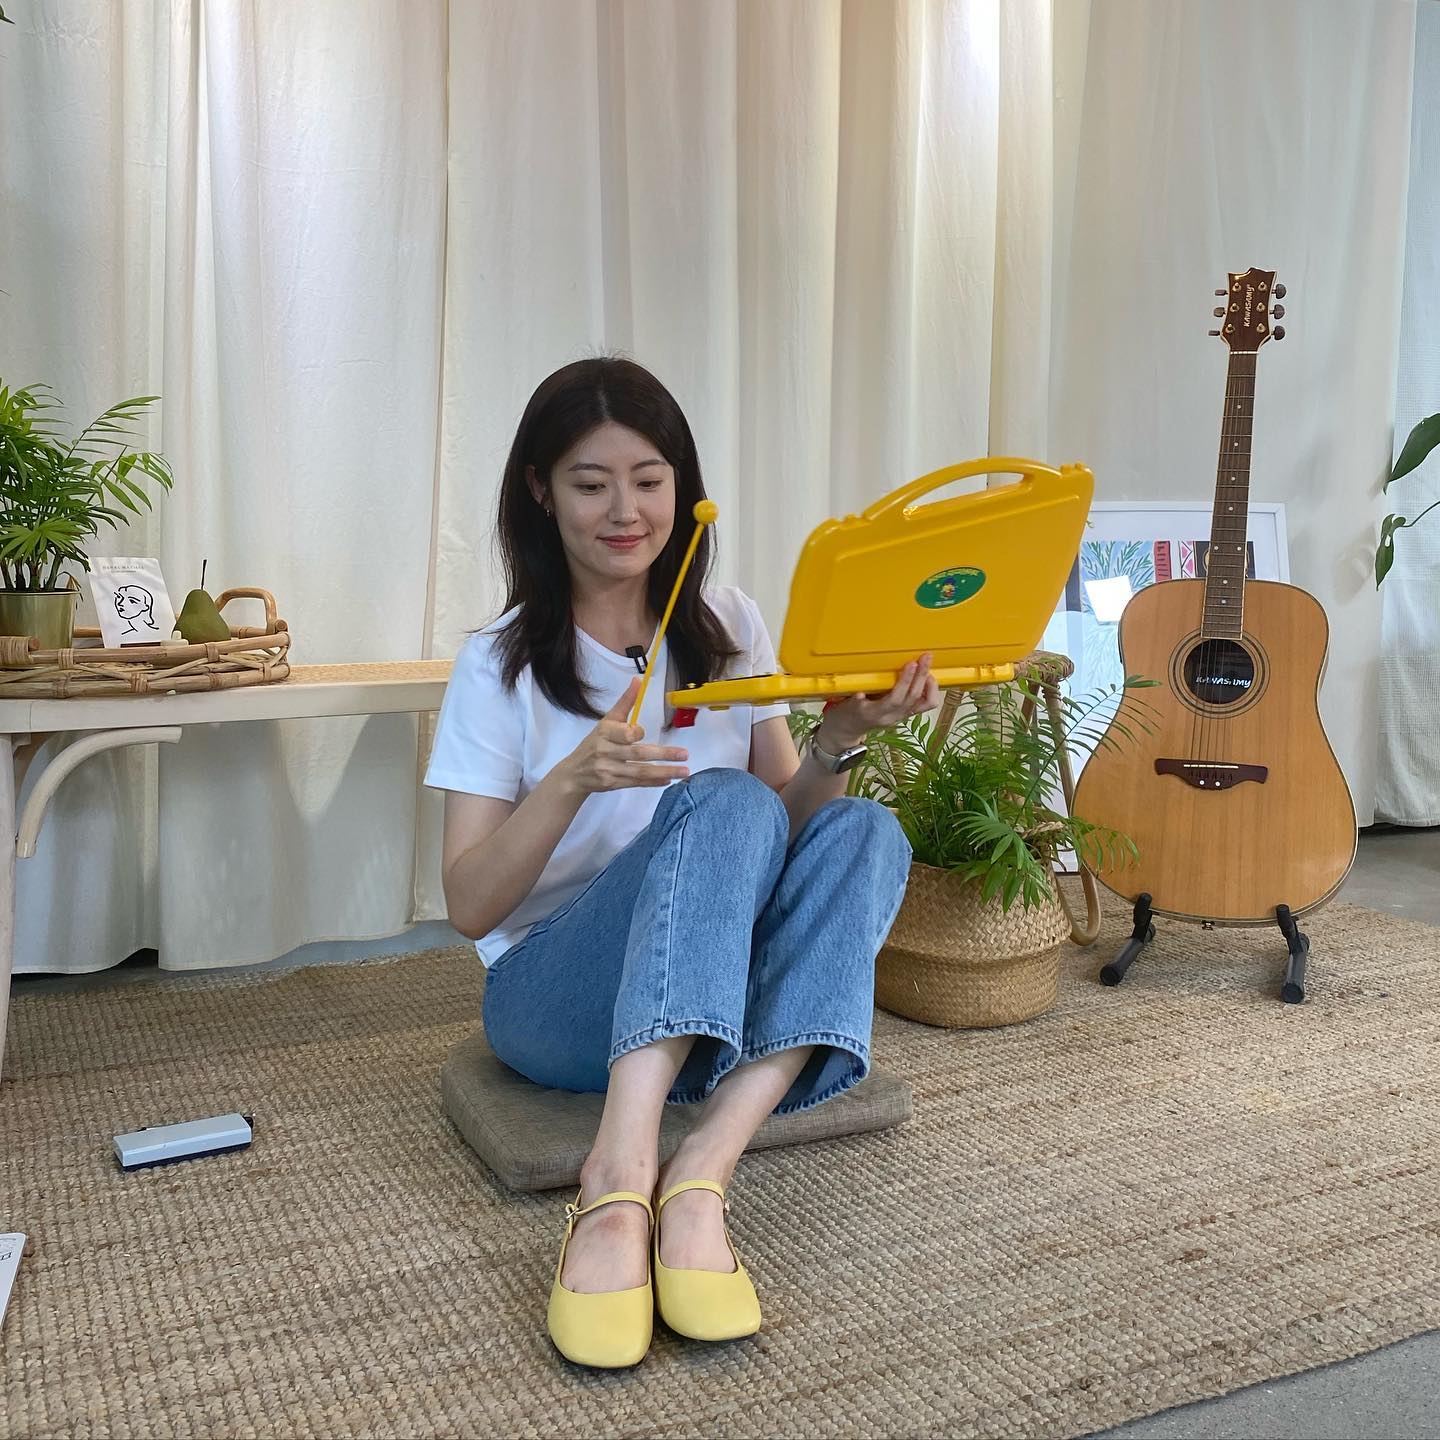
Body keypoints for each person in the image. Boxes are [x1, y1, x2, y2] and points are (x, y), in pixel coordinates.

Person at [425, 356, 935, 1369]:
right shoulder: (497, 665)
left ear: (683, 489)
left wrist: (836, 741)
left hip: (711, 990)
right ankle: (617, 1179)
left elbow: (783, 830)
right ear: (540, 491)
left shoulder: (730, 625)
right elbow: (470, 905)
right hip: (553, 998)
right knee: (720, 798)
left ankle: (703, 1168)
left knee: (863, 829)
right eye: (591, 483)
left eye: (649, 481)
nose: (626, 511)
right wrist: (572, 779)